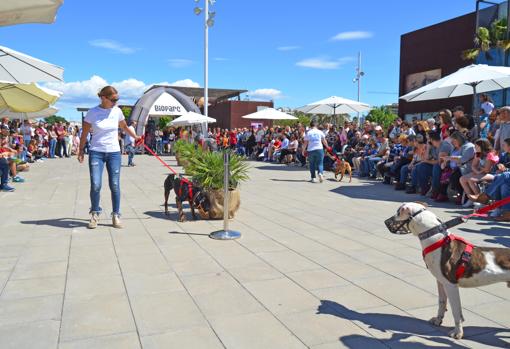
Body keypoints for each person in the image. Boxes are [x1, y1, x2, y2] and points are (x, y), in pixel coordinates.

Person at [78, 86, 140, 229]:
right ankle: (95, 213)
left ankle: (116, 214)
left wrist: (135, 136)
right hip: (96, 152)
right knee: (96, 184)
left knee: (115, 185)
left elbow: (124, 127)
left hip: (114, 153)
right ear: (103, 98)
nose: (115, 102)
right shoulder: (92, 112)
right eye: (113, 100)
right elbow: (84, 133)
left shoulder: (117, 111)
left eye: (117, 99)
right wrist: (81, 150)